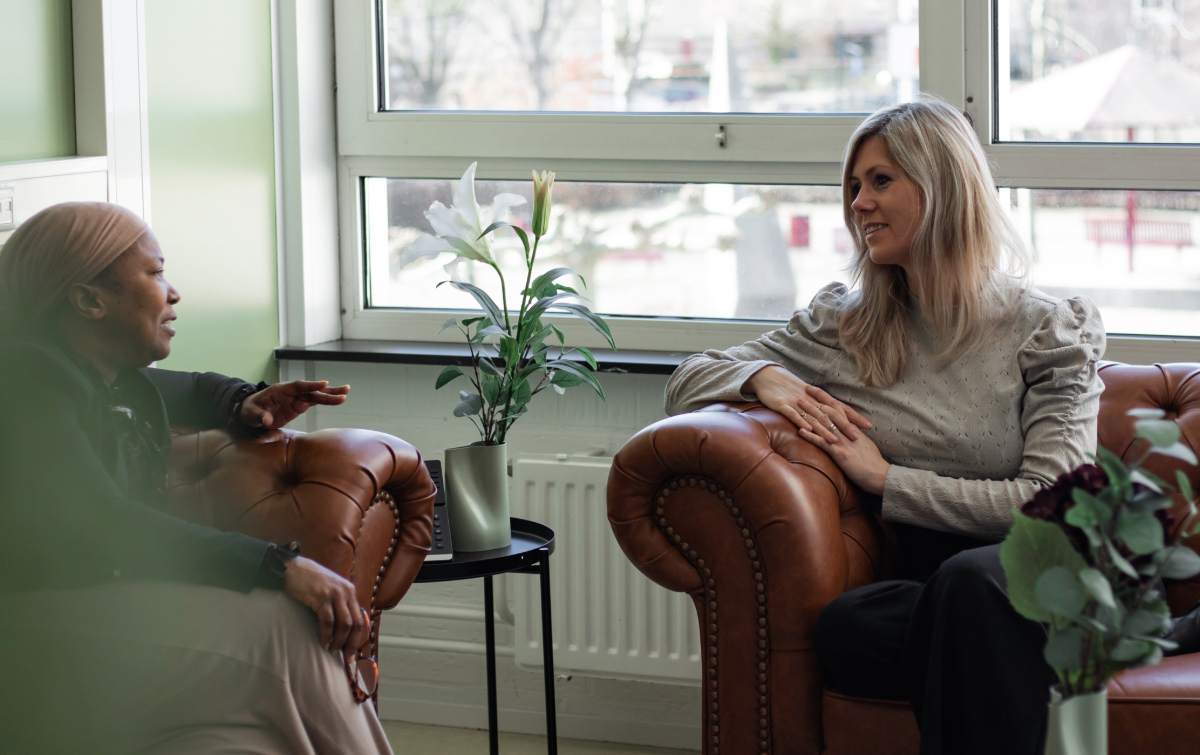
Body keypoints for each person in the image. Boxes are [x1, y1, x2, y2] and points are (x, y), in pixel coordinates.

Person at [664, 96, 1106, 754]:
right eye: (852, 186)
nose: (857, 203)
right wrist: (765, 377)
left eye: (880, 181)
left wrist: (886, 478)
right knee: (849, 624)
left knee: (966, 590)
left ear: (942, 185)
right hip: (937, 589)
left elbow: (1055, 505)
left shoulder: (1046, 328)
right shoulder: (844, 326)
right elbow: (686, 379)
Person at [0, 202, 394, 755]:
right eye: (156, 273)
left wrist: (246, 402)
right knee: (287, 629)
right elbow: (98, 520)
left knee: (244, 739)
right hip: (30, 627)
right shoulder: (27, 383)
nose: (174, 292)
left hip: (103, 608)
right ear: (89, 300)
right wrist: (275, 565)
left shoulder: (108, 374)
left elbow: (192, 389)